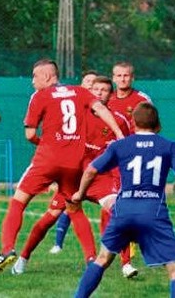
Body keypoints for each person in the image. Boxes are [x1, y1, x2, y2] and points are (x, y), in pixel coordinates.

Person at [0, 59, 124, 274]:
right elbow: (99, 108)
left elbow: (30, 134)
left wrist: (46, 143)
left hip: (47, 160)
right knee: (74, 209)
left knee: (18, 201)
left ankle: (7, 249)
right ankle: (91, 258)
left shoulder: (40, 96)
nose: (32, 82)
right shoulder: (79, 92)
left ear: (47, 76)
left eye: (34, 77)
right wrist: (119, 134)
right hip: (74, 164)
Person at [72, 102, 175, 298]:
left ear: (133, 123)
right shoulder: (168, 146)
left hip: (124, 210)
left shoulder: (120, 145)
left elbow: (91, 170)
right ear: (158, 125)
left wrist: (80, 193)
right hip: (153, 212)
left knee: (103, 258)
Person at [13, 76, 136, 276]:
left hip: (98, 177)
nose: (99, 93)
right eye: (95, 88)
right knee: (50, 217)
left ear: (110, 94)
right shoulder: (75, 112)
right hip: (72, 175)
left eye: (104, 90)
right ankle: (23, 257)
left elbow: (126, 147)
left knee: (117, 209)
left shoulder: (118, 120)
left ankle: (125, 263)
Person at [50, 70, 98, 254]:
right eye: (87, 81)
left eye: (94, 82)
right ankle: (57, 243)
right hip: (75, 163)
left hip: (96, 163)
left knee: (111, 203)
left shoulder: (102, 107)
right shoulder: (73, 104)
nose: (91, 85)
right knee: (67, 203)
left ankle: (123, 252)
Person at [108, 61, 152, 132]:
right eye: (119, 76)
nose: (122, 79)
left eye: (126, 76)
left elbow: (150, 127)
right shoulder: (108, 99)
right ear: (114, 78)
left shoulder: (142, 99)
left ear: (132, 78)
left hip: (134, 141)